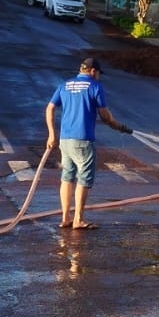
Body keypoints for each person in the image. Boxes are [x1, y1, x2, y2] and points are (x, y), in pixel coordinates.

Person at [45, 57, 131, 230]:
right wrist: (119, 126)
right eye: (98, 73)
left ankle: (65, 218)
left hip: (65, 140)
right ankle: (78, 219)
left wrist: (51, 134)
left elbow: (50, 108)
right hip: (83, 140)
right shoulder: (94, 86)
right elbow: (105, 116)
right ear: (92, 71)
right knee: (83, 178)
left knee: (67, 177)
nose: (99, 77)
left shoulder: (65, 84)